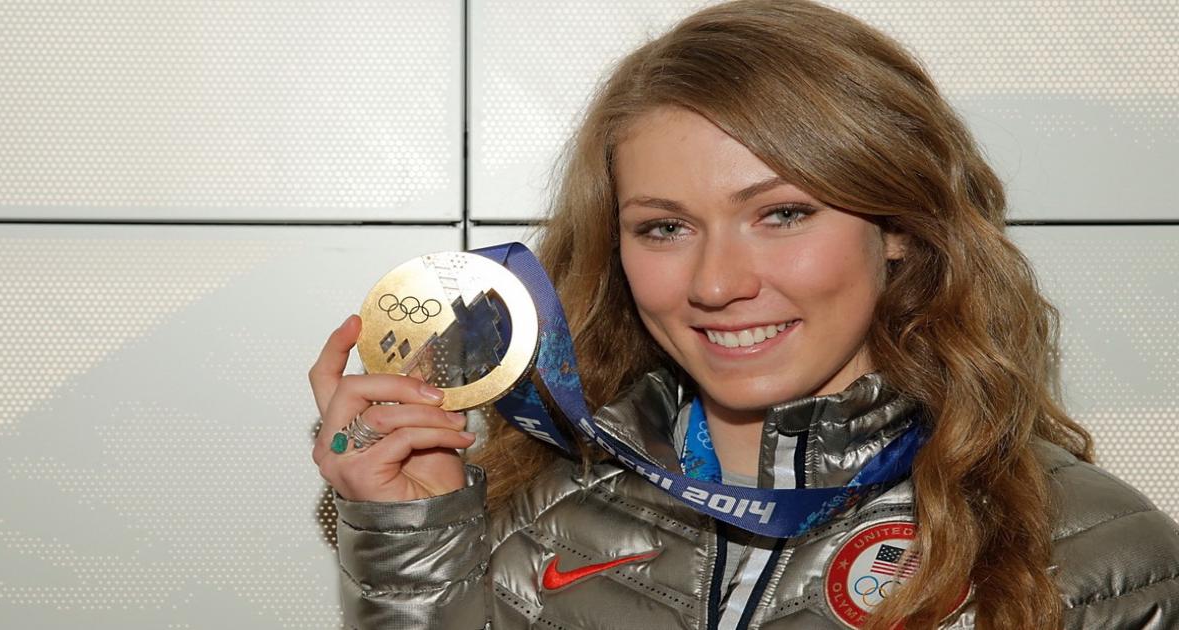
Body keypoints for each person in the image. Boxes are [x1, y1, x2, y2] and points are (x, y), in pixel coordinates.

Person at [308, 1, 1179, 628]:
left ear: (901, 229)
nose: (717, 283)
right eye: (665, 227)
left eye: (782, 214)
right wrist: (412, 549)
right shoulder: (519, 508)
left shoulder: (1095, 556)